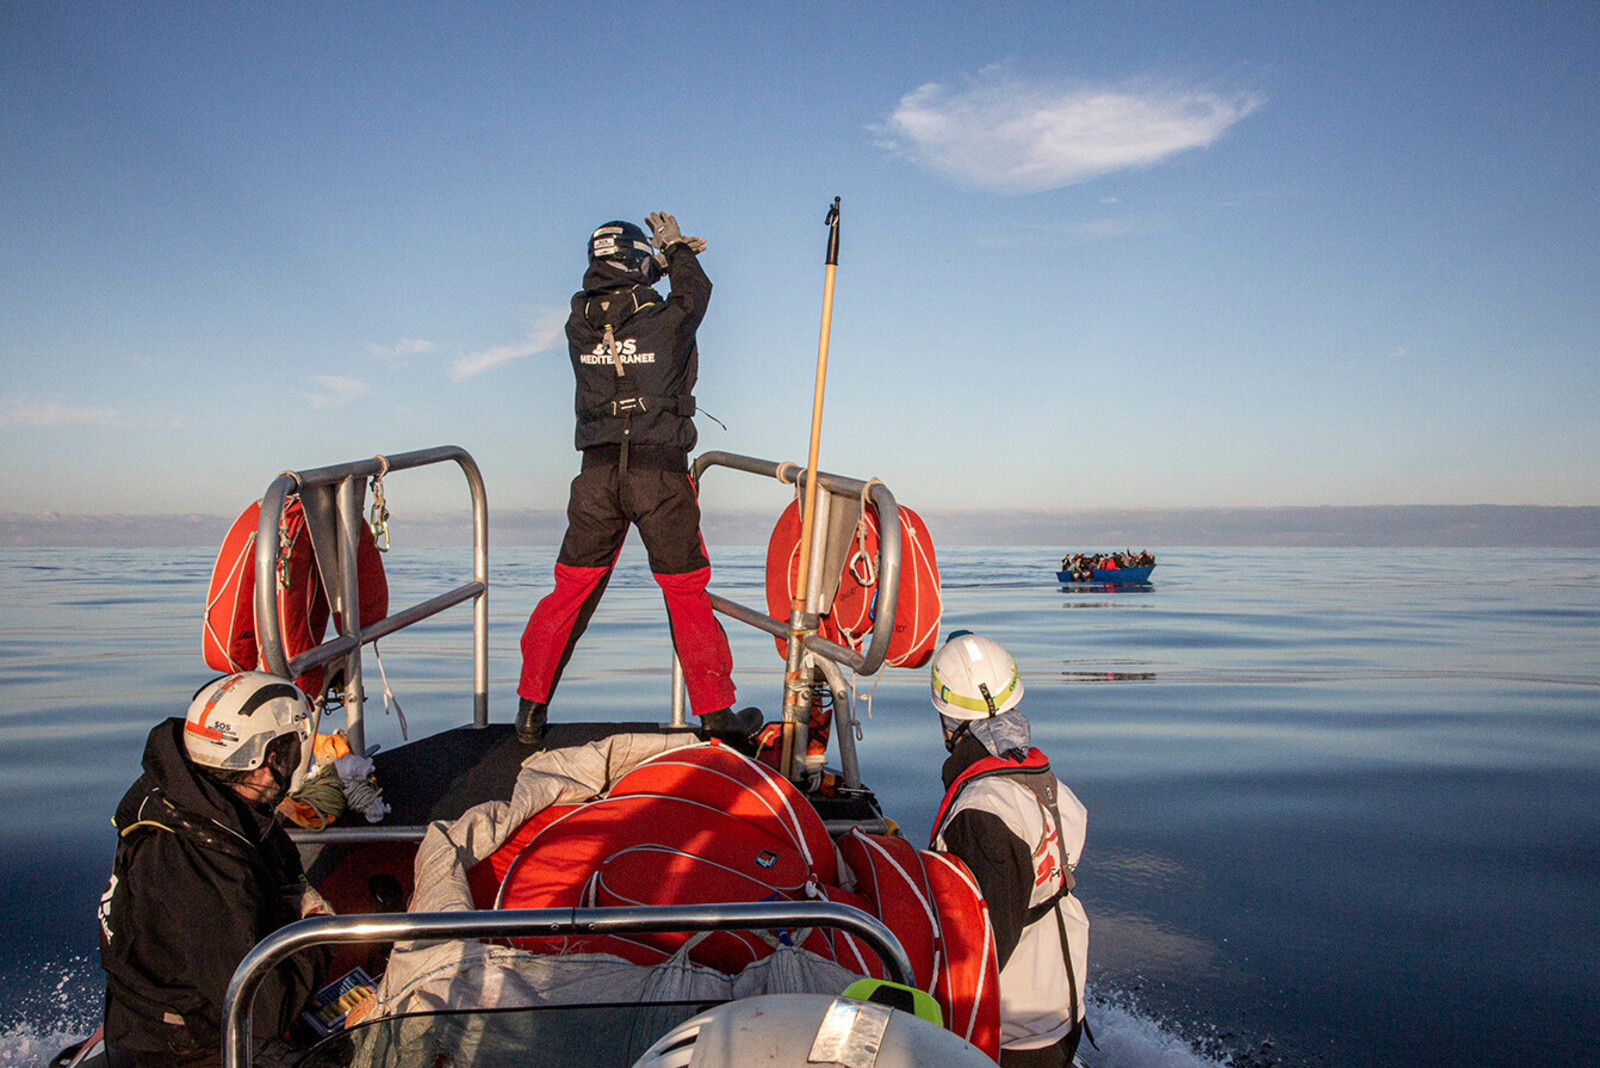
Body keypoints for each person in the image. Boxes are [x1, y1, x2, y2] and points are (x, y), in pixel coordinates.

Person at [515, 212, 757, 746]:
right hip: (659, 476)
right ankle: (717, 717)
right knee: (685, 592)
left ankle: (529, 711)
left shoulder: (578, 324)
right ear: (637, 261)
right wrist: (676, 255)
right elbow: (695, 294)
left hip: (596, 477)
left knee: (570, 592)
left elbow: (648, 297)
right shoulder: (664, 319)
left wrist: (661, 256)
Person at [99, 672, 334, 1067]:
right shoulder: (196, 859)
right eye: (292, 749)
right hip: (185, 1048)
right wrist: (319, 933)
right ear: (269, 757)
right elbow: (265, 1010)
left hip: (167, 1015)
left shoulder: (192, 799)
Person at [927, 632, 1090, 1066]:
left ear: (947, 721)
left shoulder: (981, 813)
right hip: (1063, 1003)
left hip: (1017, 1032)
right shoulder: (1049, 787)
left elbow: (983, 948)